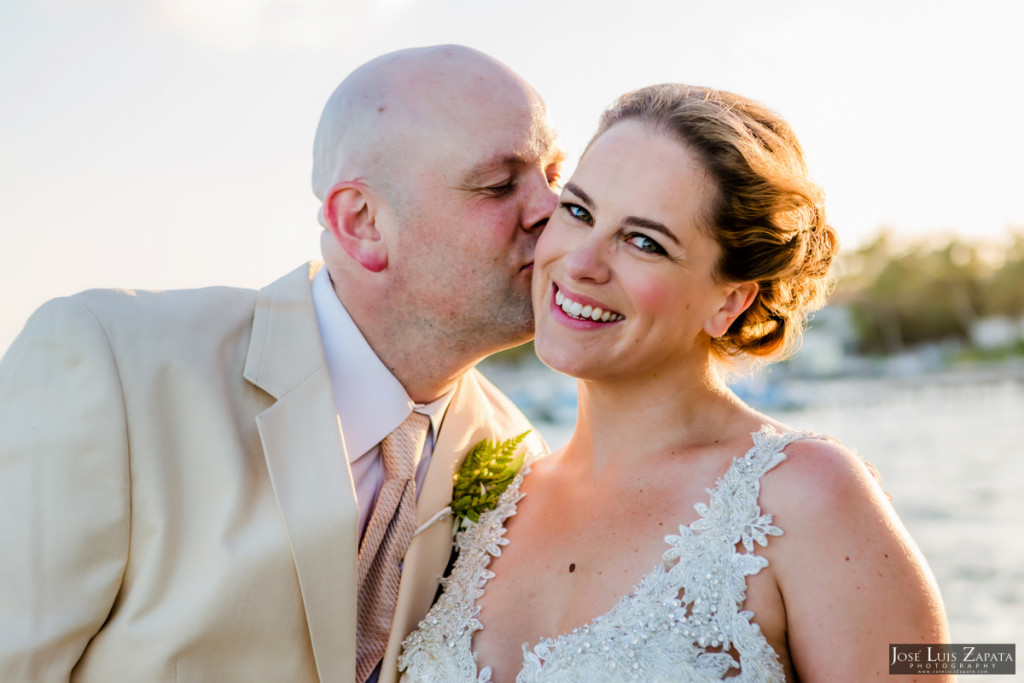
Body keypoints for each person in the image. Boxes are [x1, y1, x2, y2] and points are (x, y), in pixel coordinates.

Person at [0, 45, 563, 683]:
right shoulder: (110, 363)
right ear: (363, 223)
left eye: (553, 172)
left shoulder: (520, 452)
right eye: (499, 184)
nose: (554, 209)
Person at [399, 84, 950, 682]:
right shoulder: (486, 499)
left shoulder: (807, 496)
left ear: (730, 302)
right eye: (578, 211)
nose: (581, 262)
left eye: (644, 242)